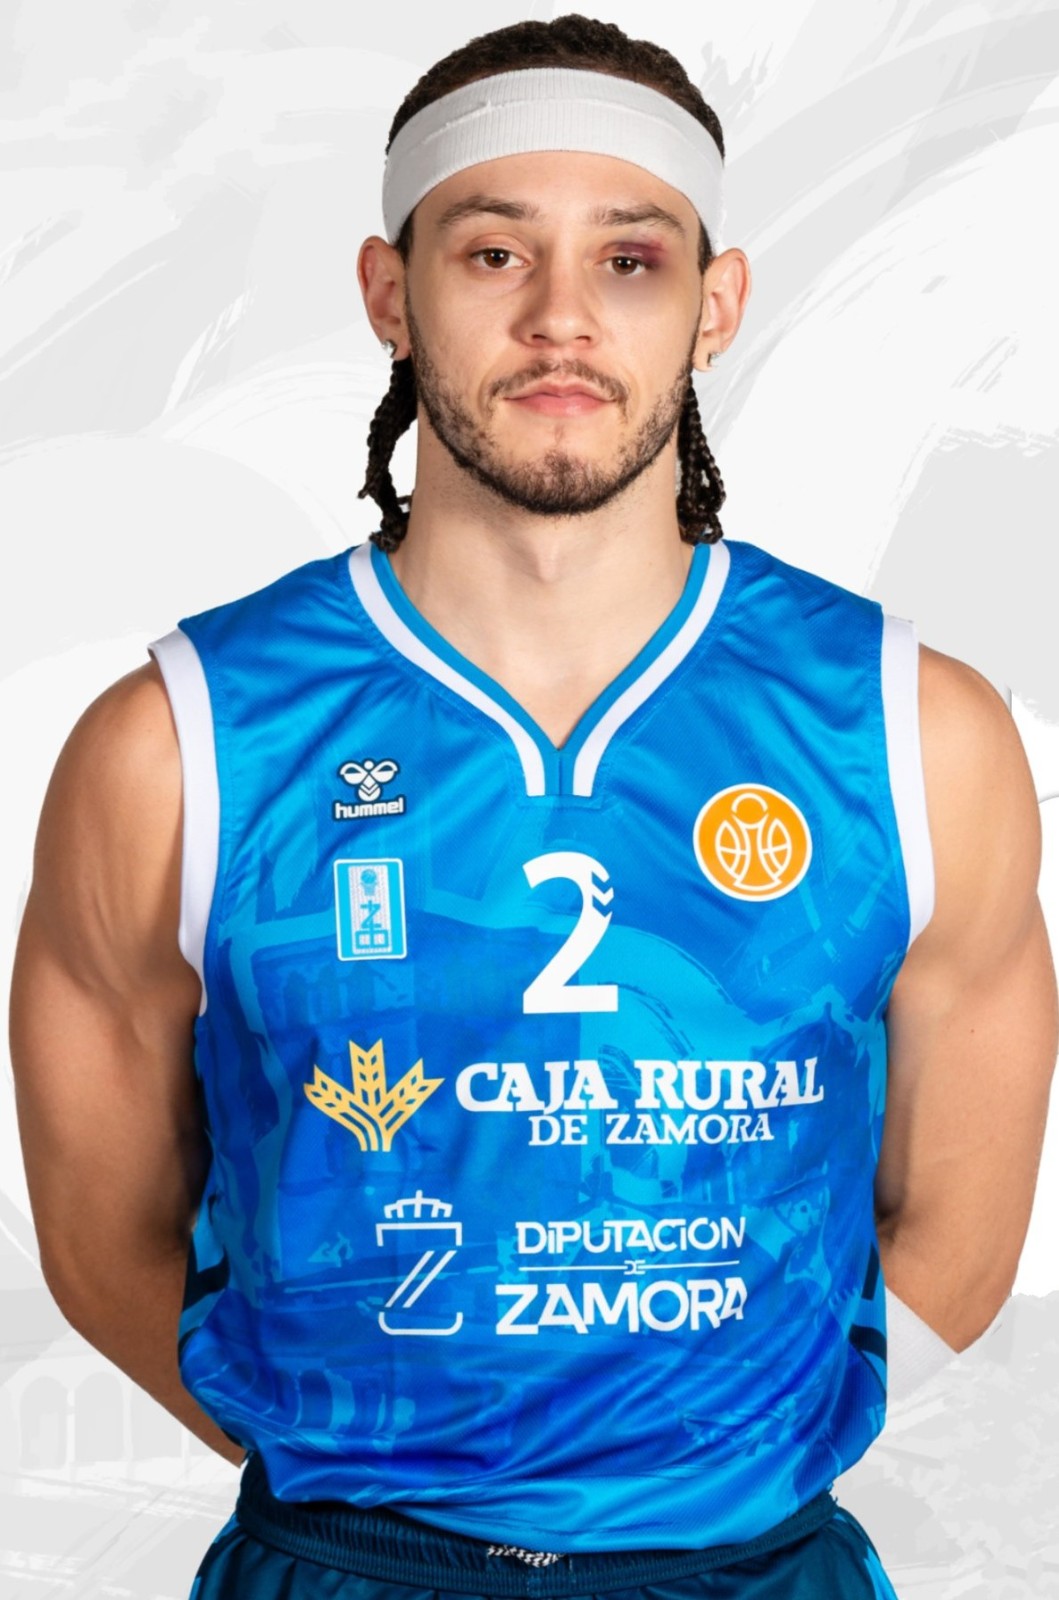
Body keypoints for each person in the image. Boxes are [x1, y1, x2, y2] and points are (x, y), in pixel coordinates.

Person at [10, 14, 1057, 1600]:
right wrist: (376, 1480)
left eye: (630, 261)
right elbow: (104, 1247)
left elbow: (960, 1239)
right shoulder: (179, 744)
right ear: (390, 294)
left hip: (756, 1569)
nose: (562, 316)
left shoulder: (912, 730)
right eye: (494, 253)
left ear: (716, 305)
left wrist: (714, 1470)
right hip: (343, 1566)